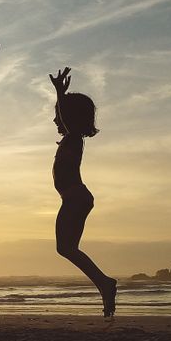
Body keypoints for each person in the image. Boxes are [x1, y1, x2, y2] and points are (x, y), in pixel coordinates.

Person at [49, 67, 117, 317]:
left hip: (75, 197)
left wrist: (59, 94)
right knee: (66, 248)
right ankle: (104, 284)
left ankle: (104, 283)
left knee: (66, 248)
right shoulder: (70, 138)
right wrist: (61, 98)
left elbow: (67, 121)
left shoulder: (74, 137)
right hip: (75, 197)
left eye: (59, 115)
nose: (56, 120)